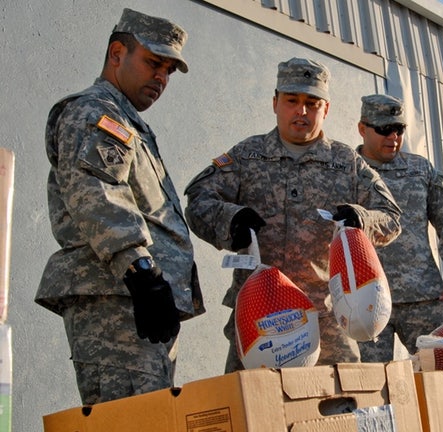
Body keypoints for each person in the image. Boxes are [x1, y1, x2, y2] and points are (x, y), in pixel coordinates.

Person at [184, 58, 401, 372]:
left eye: (312, 104)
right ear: (275, 103)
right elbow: (198, 198)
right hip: (259, 317)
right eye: (292, 101)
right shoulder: (248, 155)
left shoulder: (346, 163)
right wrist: (230, 219)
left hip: (325, 318)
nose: (302, 111)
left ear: (325, 109)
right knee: (254, 412)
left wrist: (360, 221)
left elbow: (390, 216)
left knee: (337, 411)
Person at [35, 8, 204, 405]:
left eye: (168, 71)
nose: (161, 77)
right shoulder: (95, 112)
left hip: (138, 304)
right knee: (131, 419)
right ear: (117, 53)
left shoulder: (127, 122)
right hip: (118, 299)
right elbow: (96, 193)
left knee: (150, 417)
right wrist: (140, 272)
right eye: (153, 63)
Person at [354, 94, 443, 361]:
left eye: (399, 130)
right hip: (365, 302)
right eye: (384, 130)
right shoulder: (346, 171)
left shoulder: (420, 170)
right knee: (371, 388)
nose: (393, 137)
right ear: (363, 128)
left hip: (423, 297)